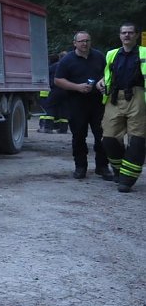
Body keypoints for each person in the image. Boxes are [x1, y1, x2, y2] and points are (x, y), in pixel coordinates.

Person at [54, 31, 110, 180]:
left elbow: (108, 73)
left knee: (102, 136)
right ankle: (80, 167)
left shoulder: (99, 56)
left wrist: (102, 82)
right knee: (79, 136)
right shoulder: (67, 60)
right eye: (81, 41)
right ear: (75, 43)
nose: (84, 44)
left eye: (87, 40)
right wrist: (77, 87)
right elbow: (58, 80)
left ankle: (102, 166)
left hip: (98, 103)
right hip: (76, 104)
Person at [97, 23, 146, 193]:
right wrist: (101, 82)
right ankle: (119, 170)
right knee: (109, 138)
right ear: (120, 36)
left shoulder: (144, 52)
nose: (127, 35)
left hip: (138, 97)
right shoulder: (111, 54)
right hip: (114, 98)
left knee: (138, 140)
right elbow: (107, 75)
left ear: (136, 35)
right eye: (124, 33)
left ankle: (127, 179)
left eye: (130, 33)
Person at [38, 51, 68, 134]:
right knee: (64, 109)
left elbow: (46, 76)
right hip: (67, 90)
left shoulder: (54, 66)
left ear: (59, 58)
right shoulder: (69, 66)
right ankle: (63, 129)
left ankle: (48, 127)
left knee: (49, 107)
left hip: (55, 89)